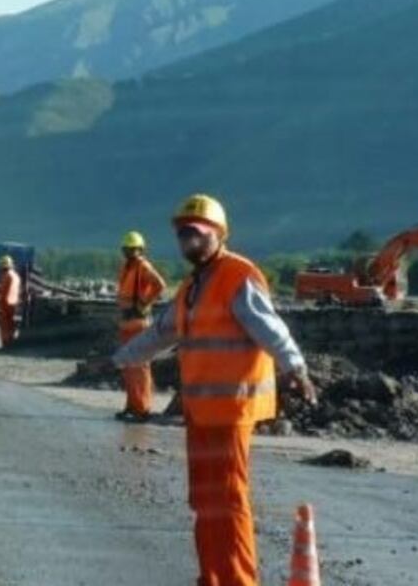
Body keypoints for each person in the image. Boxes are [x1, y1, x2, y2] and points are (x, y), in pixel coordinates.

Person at [112, 194, 317, 586]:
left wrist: (296, 367)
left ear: (217, 234)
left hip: (231, 411)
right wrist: (122, 358)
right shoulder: (194, 284)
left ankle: (237, 580)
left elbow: (270, 328)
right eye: (182, 234)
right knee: (204, 500)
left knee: (227, 500)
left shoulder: (236, 277)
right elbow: (162, 332)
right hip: (201, 412)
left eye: (195, 233)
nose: (187, 240)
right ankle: (212, 577)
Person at [115, 231, 166, 422]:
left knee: (140, 367)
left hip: (138, 322)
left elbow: (160, 284)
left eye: (133, 249)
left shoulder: (143, 266)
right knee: (129, 366)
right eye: (127, 249)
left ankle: (142, 409)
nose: (129, 252)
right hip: (127, 322)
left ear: (140, 250)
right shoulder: (127, 267)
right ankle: (132, 406)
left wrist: (144, 303)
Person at [0, 255, 21, 348]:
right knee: (11, 324)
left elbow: (2, 290)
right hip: (14, 303)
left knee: (4, 324)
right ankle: (11, 340)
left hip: (5, 304)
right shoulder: (15, 275)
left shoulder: (6, 276)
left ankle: (6, 342)